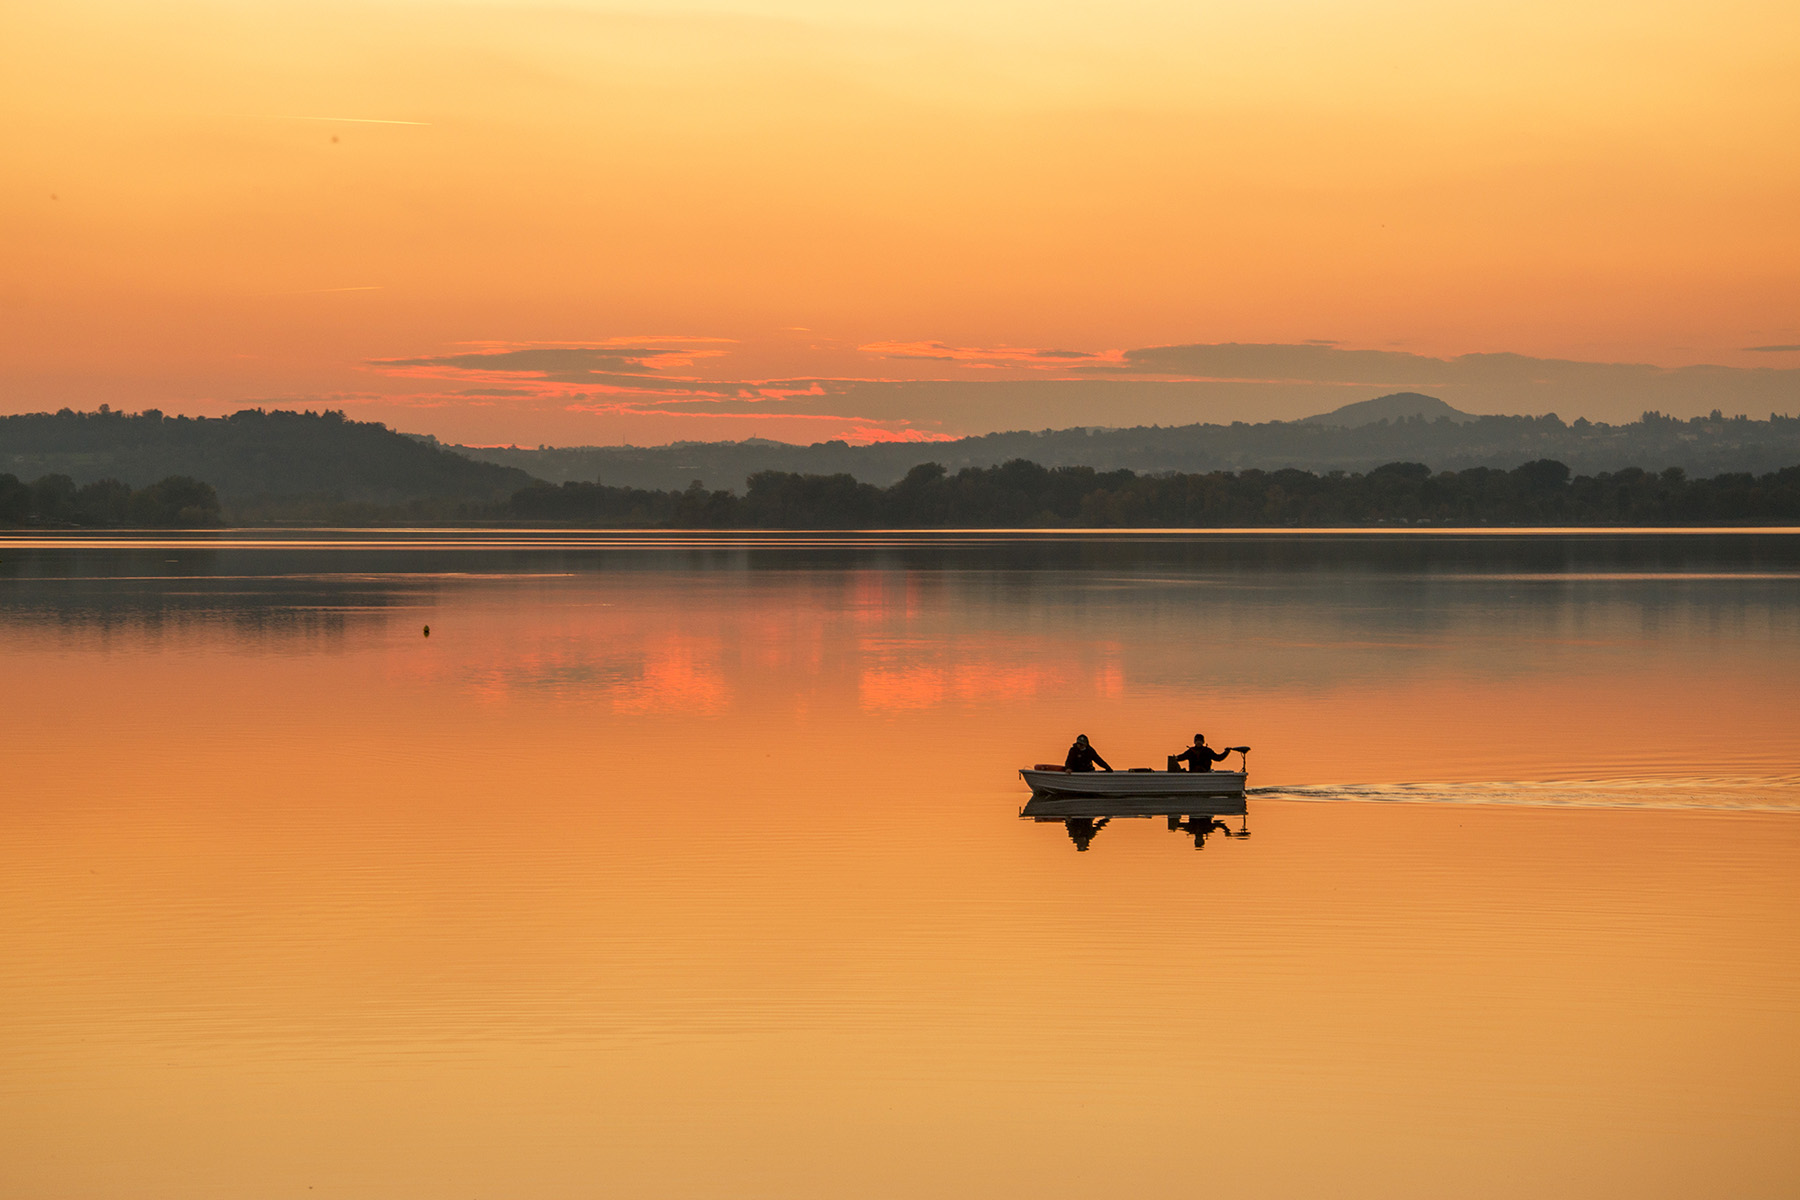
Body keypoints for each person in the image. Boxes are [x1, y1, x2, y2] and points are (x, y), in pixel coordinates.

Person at [1168, 733, 1247, 773]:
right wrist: (1175, 758)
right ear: (1194, 742)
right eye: (1197, 741)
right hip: (1193, 773)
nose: (1198, 742)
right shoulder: (1190, 752)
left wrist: (1226, 752)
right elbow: (1181, 757)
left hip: (1205, 772)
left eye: (1200, 741)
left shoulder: (1207, 751)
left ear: (1203, 742)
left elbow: (1218, 758)